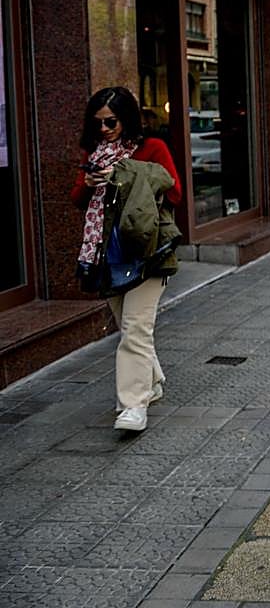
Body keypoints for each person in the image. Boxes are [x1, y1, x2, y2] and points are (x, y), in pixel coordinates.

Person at [71, 87, 181, 433]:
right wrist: (89, 182)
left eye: (111, 122)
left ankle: (133, 406)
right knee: (129, 327)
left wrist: (127, 173)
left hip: (146, 250)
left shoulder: (152, 149)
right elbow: (77, 199)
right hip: (106, 254)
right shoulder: (94, 152)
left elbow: (174, 191)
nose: (104, 129)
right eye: (98, 123)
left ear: (127, 118)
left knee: (135, 329)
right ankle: (154, 380)